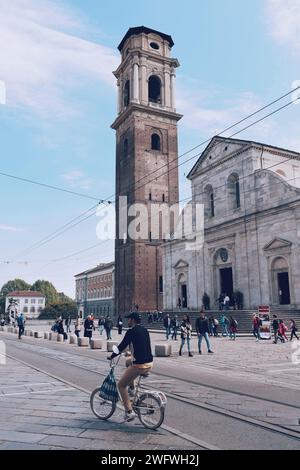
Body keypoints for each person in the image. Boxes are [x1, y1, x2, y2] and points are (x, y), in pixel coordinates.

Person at [108, 312, 153, 422]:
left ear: (132, 320)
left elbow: (121, 346)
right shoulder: (145, 330)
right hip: (150, 363)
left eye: (129, 319)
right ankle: (132, 389)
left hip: (140, 365)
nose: (127, 321)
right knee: (128, 362)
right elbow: (142, 345)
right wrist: (130, 353)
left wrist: (111, 356)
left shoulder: (131, 331)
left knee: (121, 385)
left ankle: (129, 411)